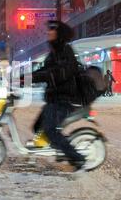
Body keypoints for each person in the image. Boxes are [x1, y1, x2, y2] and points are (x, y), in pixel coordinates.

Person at [31, 20, 86, 171]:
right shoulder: (54, 53)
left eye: (52, 29)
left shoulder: (65, 51)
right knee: (37, 127)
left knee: (50, 131)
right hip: (54, 99)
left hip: (64, 99)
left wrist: (35, 77)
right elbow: (44, 71)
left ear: (59, 33)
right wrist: (24, 77)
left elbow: (58, 73)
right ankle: (61, 146)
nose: (48, 32)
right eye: (48, 29)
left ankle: (78, 159)